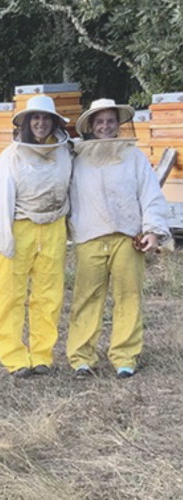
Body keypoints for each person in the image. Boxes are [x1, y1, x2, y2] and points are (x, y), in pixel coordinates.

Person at [67, 99, 171, 379]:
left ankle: (125, 356)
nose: (105, 126)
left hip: (127, 237)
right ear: (90, 125)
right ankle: (81, 358)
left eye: (110, 121)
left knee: (128, 296)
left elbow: (150, 194)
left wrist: (152, 229)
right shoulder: (77, 157)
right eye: (99, 121)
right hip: (89, 236)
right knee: (87, 297)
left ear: (118, 124)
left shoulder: (134, 156)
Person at [0, 95, 73, 379]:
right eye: (35, 118)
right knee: (11, 294)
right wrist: (4, 238)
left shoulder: (64, 152)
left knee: (49, 295)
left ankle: (42, 355)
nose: (40, 123)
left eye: (46, 118)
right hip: (19, 226)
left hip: (54, 226)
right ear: (26, 123)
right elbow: (2, 199)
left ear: (54, 122)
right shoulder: (10, 156)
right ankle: (14, 357)